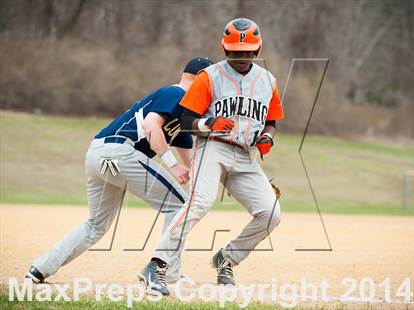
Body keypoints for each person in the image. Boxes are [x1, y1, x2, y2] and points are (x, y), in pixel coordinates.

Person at [25, 57, 214, 284]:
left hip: (99, 155)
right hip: (121, 153)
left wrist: (216, 176)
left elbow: (192, 158)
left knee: (95, 225)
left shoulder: (182, 113)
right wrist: (172, 165)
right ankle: (168, 274)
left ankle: (40, 268)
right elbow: (151, 126)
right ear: (200, 77)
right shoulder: (176, 94)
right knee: (179, 206)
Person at [139, 18, 284, 296]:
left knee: (270, 214)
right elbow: (185, 120)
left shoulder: (268, 81)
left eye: (248, 51)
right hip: (212, 148)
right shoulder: (210, 76)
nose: (241, 57)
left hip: (244, 155)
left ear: (258, 48)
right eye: (234, 51)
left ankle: (226, 259)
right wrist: (209, 124)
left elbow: (272, 121)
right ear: (223, 47)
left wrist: (267, 138)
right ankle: (156, 265)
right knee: (199, 203)